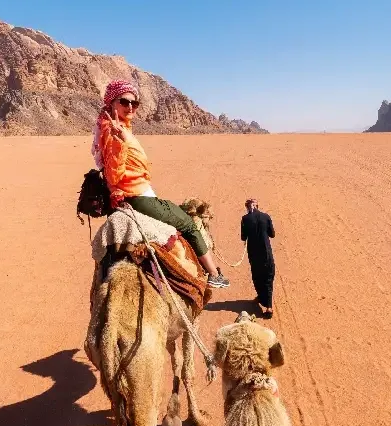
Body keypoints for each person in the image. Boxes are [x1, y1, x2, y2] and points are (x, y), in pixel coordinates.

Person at [92, 79, 230, 288]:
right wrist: (120, 142)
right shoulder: (113, 133)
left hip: (138, 191)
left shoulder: (119, 128)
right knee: (189, 225)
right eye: (124, 101)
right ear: (112, 103)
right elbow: (113, 174)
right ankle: (214, 274)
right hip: (137, 196)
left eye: (134, 103)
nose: (130, 107)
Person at [240, 199, 275, 318]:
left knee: (257, 276)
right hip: (266, 253)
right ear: (257, 206)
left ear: (247, 207)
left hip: (254, 254)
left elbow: (243, 237)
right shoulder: (266, 216)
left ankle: (261, 296)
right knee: (268, 277)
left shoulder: (245, 219)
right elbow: (272, 234)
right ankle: (269, 306)